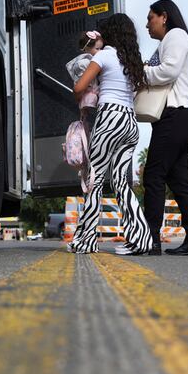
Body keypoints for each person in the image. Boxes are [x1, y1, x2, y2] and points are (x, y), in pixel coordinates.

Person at [68, 13, 153, 255]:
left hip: (109, 119)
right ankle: (140, 239)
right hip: (129, 121)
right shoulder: (132, 61)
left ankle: (86, 240)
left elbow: (79, 87)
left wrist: (81, 96)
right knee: (121, 183)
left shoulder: (105, 55)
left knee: (94, 180)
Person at [142, 0, 188, 256]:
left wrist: (138, 73)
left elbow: (168, 72)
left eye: (150, 18)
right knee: (179, 180)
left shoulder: (176, 35)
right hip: (176, 117)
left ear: (164, 17)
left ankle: (151, 239)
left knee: (153, 175)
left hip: (175, 115)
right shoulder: (166, 42)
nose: (147, 24)